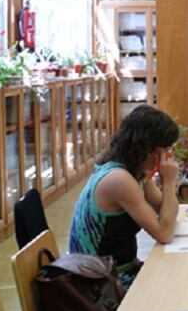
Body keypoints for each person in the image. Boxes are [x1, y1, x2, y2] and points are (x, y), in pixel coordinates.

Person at [68, 105, 180, 290]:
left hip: (120, 271)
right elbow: (165, 233)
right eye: (166, 149)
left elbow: (164, 210)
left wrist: (169, 187)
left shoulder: (135, 171)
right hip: (100, 284)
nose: (168, 155)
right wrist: (169, 184)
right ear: (149, 148)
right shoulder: (118, 179)